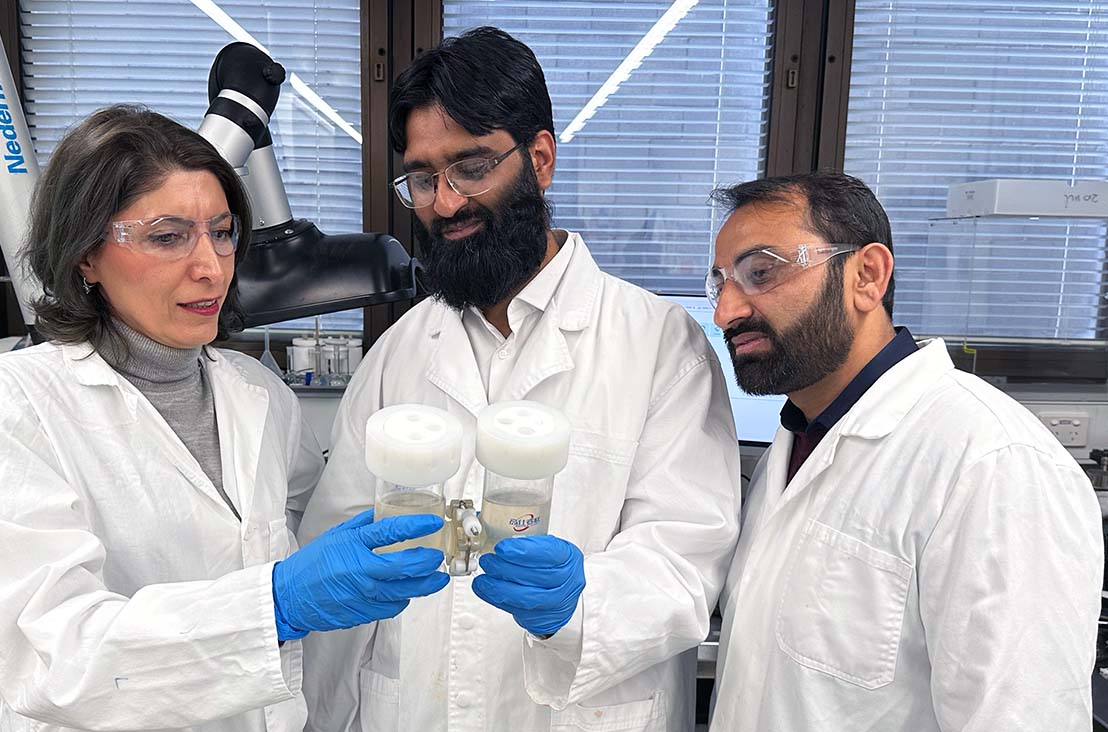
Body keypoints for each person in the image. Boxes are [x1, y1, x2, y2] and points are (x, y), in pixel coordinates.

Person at [0, 105, 449, 732]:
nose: (211, 266)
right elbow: (52, 656)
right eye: (168, 236)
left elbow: (304, 538)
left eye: (222, 231)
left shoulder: (258, 394)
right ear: (85, 257)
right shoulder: (14, 403)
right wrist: (276, 603)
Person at [297, 27, 741, 732]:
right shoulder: (400, 352)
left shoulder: (661, 346)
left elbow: (685, 564)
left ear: (539, 158)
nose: (444, 203)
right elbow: (339, 574)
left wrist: (583, 602)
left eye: (472, 167)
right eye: (422, 177)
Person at [706, 171, 1103, 731]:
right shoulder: (796, 443)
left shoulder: (993, 463)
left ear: (866, 276)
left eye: (761, 272)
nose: (726, 312)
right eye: (719, 282)